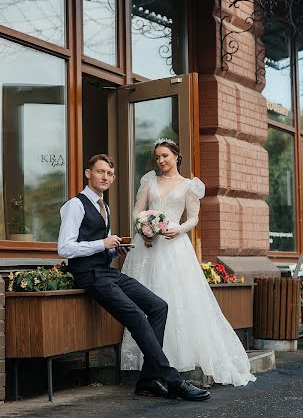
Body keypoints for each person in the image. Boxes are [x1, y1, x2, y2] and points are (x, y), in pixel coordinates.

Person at [57, 153, 210, 402]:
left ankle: (148, 379)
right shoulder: (75, 205)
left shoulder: (103, 206)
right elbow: (65, 248)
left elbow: (96, 246)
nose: (105, 177)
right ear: (88, 174)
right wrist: (101, 243)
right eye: (100, 172)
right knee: (137, 316)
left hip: (106, 272)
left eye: (109, 174)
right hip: (89, 276)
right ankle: (171, 378)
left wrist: (112, 249)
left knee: (159, 306)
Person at [121, 139, 256, 387]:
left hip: (174, 246)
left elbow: (193, 218)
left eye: (165, 156)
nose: (161, 161)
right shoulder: (149, 180)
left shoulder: (189, 186)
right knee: (147, 296)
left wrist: (179, 229)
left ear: (176, 156)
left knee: (176, 299)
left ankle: (175, 359)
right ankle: (150, 360)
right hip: (147, 247)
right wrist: (143, 230)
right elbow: (137, 210)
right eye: (157, 157)